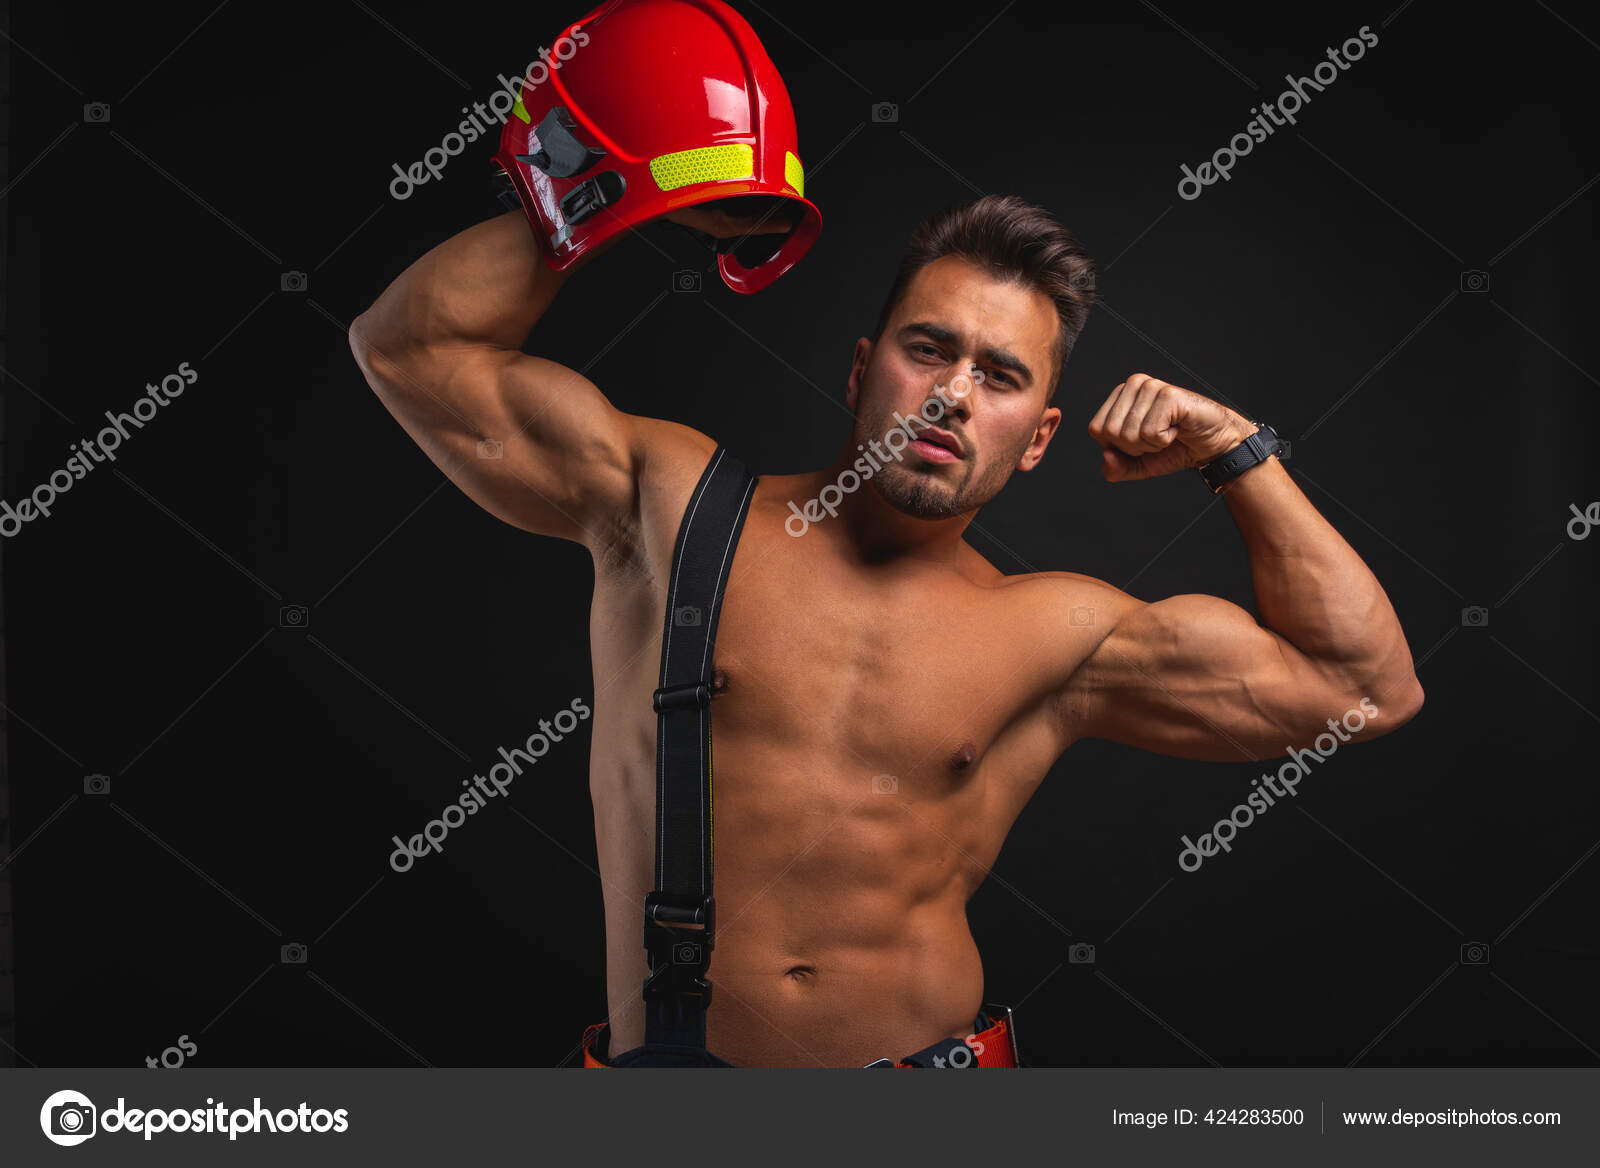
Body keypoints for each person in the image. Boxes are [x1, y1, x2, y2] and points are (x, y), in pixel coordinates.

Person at [347, 192, 1425, 1067]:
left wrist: (1235, 449)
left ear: (1040, 435)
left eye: (999, 376)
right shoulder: (670, 507)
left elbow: (1363, 686)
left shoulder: (1055, 631)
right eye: (930, 350)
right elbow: (412, 348)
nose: (953, 394)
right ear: (864, 372)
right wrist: (611, 199)